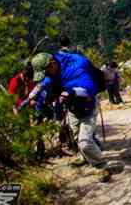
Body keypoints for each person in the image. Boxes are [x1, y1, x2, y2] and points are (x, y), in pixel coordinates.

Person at [20, 52, 112, 182]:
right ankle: (86, 157)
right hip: (72, 107)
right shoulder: (53, 68)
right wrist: (31, 97)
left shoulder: (77, 67)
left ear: (51, 64)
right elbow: (46, 81)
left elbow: (89, 89)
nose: (46, 76)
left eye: (46, 72)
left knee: (84, 142)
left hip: (88, 106)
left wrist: (71, 92)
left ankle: (101, 167)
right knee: (76, 134)